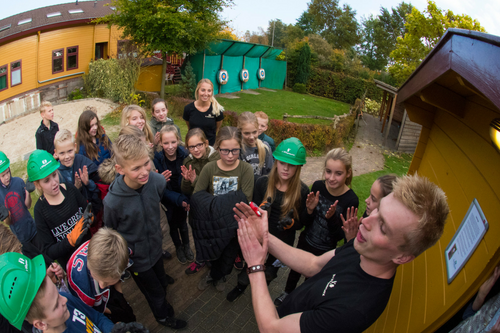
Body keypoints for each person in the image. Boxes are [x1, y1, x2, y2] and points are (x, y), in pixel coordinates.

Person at [235, 173, 450, 333]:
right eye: (377, 211)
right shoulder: (364, 249)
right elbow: (313, 264)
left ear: (402, 257)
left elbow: (271, 328)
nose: (365, 222)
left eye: (383, 228)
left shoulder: (352, 310)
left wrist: (255, 266)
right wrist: (264, 236)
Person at [103, 134, 186, 329]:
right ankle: (162, 317)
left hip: (156, 247)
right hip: (137, 260)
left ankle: (163, 293)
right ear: (120, 169)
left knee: (162, 282)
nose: (144, 172)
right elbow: (111, 233)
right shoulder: (112, 202)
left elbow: (157, 198)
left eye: (146, 163)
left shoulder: (157, 181)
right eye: (136, 168)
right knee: (155, 293)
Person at [226, 137, 312, 302]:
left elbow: (301, 224)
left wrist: (291, 223)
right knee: (249, 268)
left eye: (292, 165)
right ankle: (241, 286)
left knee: (269, 273)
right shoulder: (262, 183)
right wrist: (258, 211)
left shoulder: (302, 191)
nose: (286, 168)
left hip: (282, 242)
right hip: (259, 237)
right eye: (282, 163)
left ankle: (261, 295)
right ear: (275, 161)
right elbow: (253, 215)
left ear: (299, 167)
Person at [275, 147, 359, 306]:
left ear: (348, 173)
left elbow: (341, 236)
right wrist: (309, 209)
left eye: (338, 173)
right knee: (294, 270)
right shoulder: (318, 186)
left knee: (312, 278)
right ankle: (287, 293)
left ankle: (301, 301)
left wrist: (332, 218)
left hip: (325, 250)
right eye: (328, 171)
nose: (331, 178)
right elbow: (304, 222)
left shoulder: (351, 200)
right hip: (306, 241)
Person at [192, 126, 254, 292]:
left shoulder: (245, 170)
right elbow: (198, 195)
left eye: (235, 150)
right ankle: (212, 274)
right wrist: (232, 200)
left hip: (234, 227)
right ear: (217, 147)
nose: (230, 156)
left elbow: (246, 198)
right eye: (225, 150)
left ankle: (221, 276)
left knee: (228, 255)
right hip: (213, 225)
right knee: (213, 254)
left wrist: (214, 203)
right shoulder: (209, 168)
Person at [0, 252, 114, 333]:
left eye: (57, 293)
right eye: (56, 306)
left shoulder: (64, 300)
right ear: (41, 324)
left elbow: (97, 317)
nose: (64, 300)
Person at [29, 150, 92, 269]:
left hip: (91, 251)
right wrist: (69, 240)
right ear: (37, 185)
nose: (54, 183)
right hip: (73, 266)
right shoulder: (40, 211)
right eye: (46, 180)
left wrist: (90, 217)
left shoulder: (70, 189)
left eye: (54, 175)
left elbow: (87, 210)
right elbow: (48, 252)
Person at [67, 228, 136, 324]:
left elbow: (120, 270)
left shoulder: (119, 254)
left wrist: (119, 295)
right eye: (97, 277)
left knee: (127, 312)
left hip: (105, 287)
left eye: (107, 282)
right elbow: (91, 310)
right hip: (91, 299)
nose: (102, 285)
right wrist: (114, 312)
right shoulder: (82, 286)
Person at [180, 128, 220, 275]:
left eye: (199, 145)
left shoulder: (216, 159)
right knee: (198, 234)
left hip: (213, 207)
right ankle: (201, 259)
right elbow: (185, 190)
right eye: (192, 147)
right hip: (197, 207)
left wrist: (195, 181)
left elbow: (212, 190)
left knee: (214, 235)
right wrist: (186, 180)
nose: (196, 149)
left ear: (206, 143)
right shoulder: (188, 161)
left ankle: (214, 260)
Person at [153, 125, 193, 264]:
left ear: (178, 140)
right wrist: (160, 181)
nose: (170, 146)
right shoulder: (157, 159)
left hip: (183, 196)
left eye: (173, 142)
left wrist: (186, 199)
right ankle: (178, 247)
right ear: (161, 143)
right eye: (166, 143)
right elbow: (159, 188)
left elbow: (189, 180)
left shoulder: (185, 156)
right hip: (168, 199)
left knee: (183, 223)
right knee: (172, 225)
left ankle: (187, 245)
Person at [54, 129, 102, 220]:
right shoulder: (56, 173)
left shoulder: (82, 161)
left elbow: (98, 187)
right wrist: (75, 189)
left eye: (70, 151)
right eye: (62, 153)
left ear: (75, 147)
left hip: (90, 210)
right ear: (56, 153)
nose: (67, 156)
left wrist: (87, 183)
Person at [0, 151, 39, 257]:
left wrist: (27, 192)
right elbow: (8, 222)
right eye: (3, 175)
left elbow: (28, 206)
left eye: (8, 172)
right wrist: (6, 216)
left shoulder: (18, 182)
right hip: (20, 237)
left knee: (43, 254)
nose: (7, 177)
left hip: (32, 228)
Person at [341, 174, 398, 242]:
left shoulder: (379, 237)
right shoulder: (368, 213)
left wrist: (351, 239)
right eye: (370, 195)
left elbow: (357, 251)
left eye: (373, 199)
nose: (366, 200)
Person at [183, 79, 224, 146]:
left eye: (209, 90)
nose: (206, 93)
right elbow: (189, 128)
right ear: (197, 91)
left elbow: (217, 129)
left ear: (212, 92)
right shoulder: (188, 109)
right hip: (194, 147)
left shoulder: (217, 110)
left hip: (210, 147)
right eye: (203, 90)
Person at [237, 111, 274, 184]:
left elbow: (269, 173)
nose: (251, 137)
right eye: (246, 133)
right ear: (240, 131)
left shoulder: (265, 147)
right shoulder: (237, 149)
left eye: (254, 132)